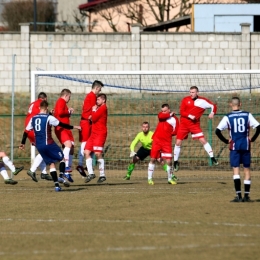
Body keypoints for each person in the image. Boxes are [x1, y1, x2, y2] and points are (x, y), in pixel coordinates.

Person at [19, 100, 81, 191]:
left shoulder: (33, 118)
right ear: (47, 108)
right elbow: (62, 125)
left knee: (51, 164)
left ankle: (57, 186)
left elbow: (26, 132)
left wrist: (22, 143)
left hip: (39, 146)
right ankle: (60, 176)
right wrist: (75, 127)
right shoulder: (49, 118)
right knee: (62, 158)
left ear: (39, 108)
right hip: (49, 143)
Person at [215, 97, 260, 202]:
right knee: (247, 170)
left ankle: (239, 196)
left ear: (231, 104)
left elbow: (217, 131)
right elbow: (259, 127)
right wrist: (252, 139)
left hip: (234, 146)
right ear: (240, 104)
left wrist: (226, 141)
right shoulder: (247, 115)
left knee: (236, 169)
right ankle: (247, 196)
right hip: (246, 146)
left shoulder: (228, 117)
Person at [173, 86, 218, 172]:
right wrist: (189, 115)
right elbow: (182, 111)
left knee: (203, 140)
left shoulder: (203, 101)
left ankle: (212, 158)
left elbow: (213, 106)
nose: (191, 94)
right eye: (190, 92)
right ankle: (175, 162)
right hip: (184, 124)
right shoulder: (185, 100)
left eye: (193, 92)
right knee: (178, 142)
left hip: (194, 125)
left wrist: (212, 113)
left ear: (197, 92)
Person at [76, 80, 104, 176]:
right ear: (96, 88)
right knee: (85, 143)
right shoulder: (92, 97)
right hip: (86, 122)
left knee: (89, 144)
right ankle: (80, 164)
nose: (99, 92)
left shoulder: (89, 96)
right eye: (99, 90)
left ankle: (87, 166)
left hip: (86, 122)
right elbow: (93, 112)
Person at [148, 104, 179, 185]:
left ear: (169, 109)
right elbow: (160, 116)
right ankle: (149, 179)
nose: (163, 112)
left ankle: (169, 179)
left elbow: (176, 131)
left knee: (169, 161)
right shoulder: (161, 115)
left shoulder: (175, 119)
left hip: (166, 142)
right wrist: (169, 114)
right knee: (153, 159)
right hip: (157, 141)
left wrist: (167, 134)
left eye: (165, 111)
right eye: (162, 111)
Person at [24, 92, 53, 181]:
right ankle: (32, 170)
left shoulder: (32, 103)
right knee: (45, 149)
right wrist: (50, 115)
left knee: (43, 150)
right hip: (35, 130)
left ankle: (44, 172)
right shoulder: (40, 104)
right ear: (44, 99)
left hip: (29, 129)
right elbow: (42, 116)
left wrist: (23, 141)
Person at [84, 93, 107, 184]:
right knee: (86, 152)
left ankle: (102, 175)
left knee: (98, 154)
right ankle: (91, 173)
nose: (96, 101)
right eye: (96, 99)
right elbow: (92, 117)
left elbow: (94, 117)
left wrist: (93, 112)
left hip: (100, 133)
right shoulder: (98, 108)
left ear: (103, 100)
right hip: (93, 134)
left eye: (98, 100)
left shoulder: (103, 108)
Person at [54, 88, 75, 183]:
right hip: (61, 128)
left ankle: (67, 171)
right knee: (68, 145)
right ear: (66, 95)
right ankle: (65, 167)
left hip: (66, 128)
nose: (69, 99)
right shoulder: (61, 101)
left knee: (72, 147)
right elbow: (60, 113)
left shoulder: (63, 103)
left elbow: (62, 114)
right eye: (69, 97)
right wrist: (69, 111)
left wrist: (68, 112)